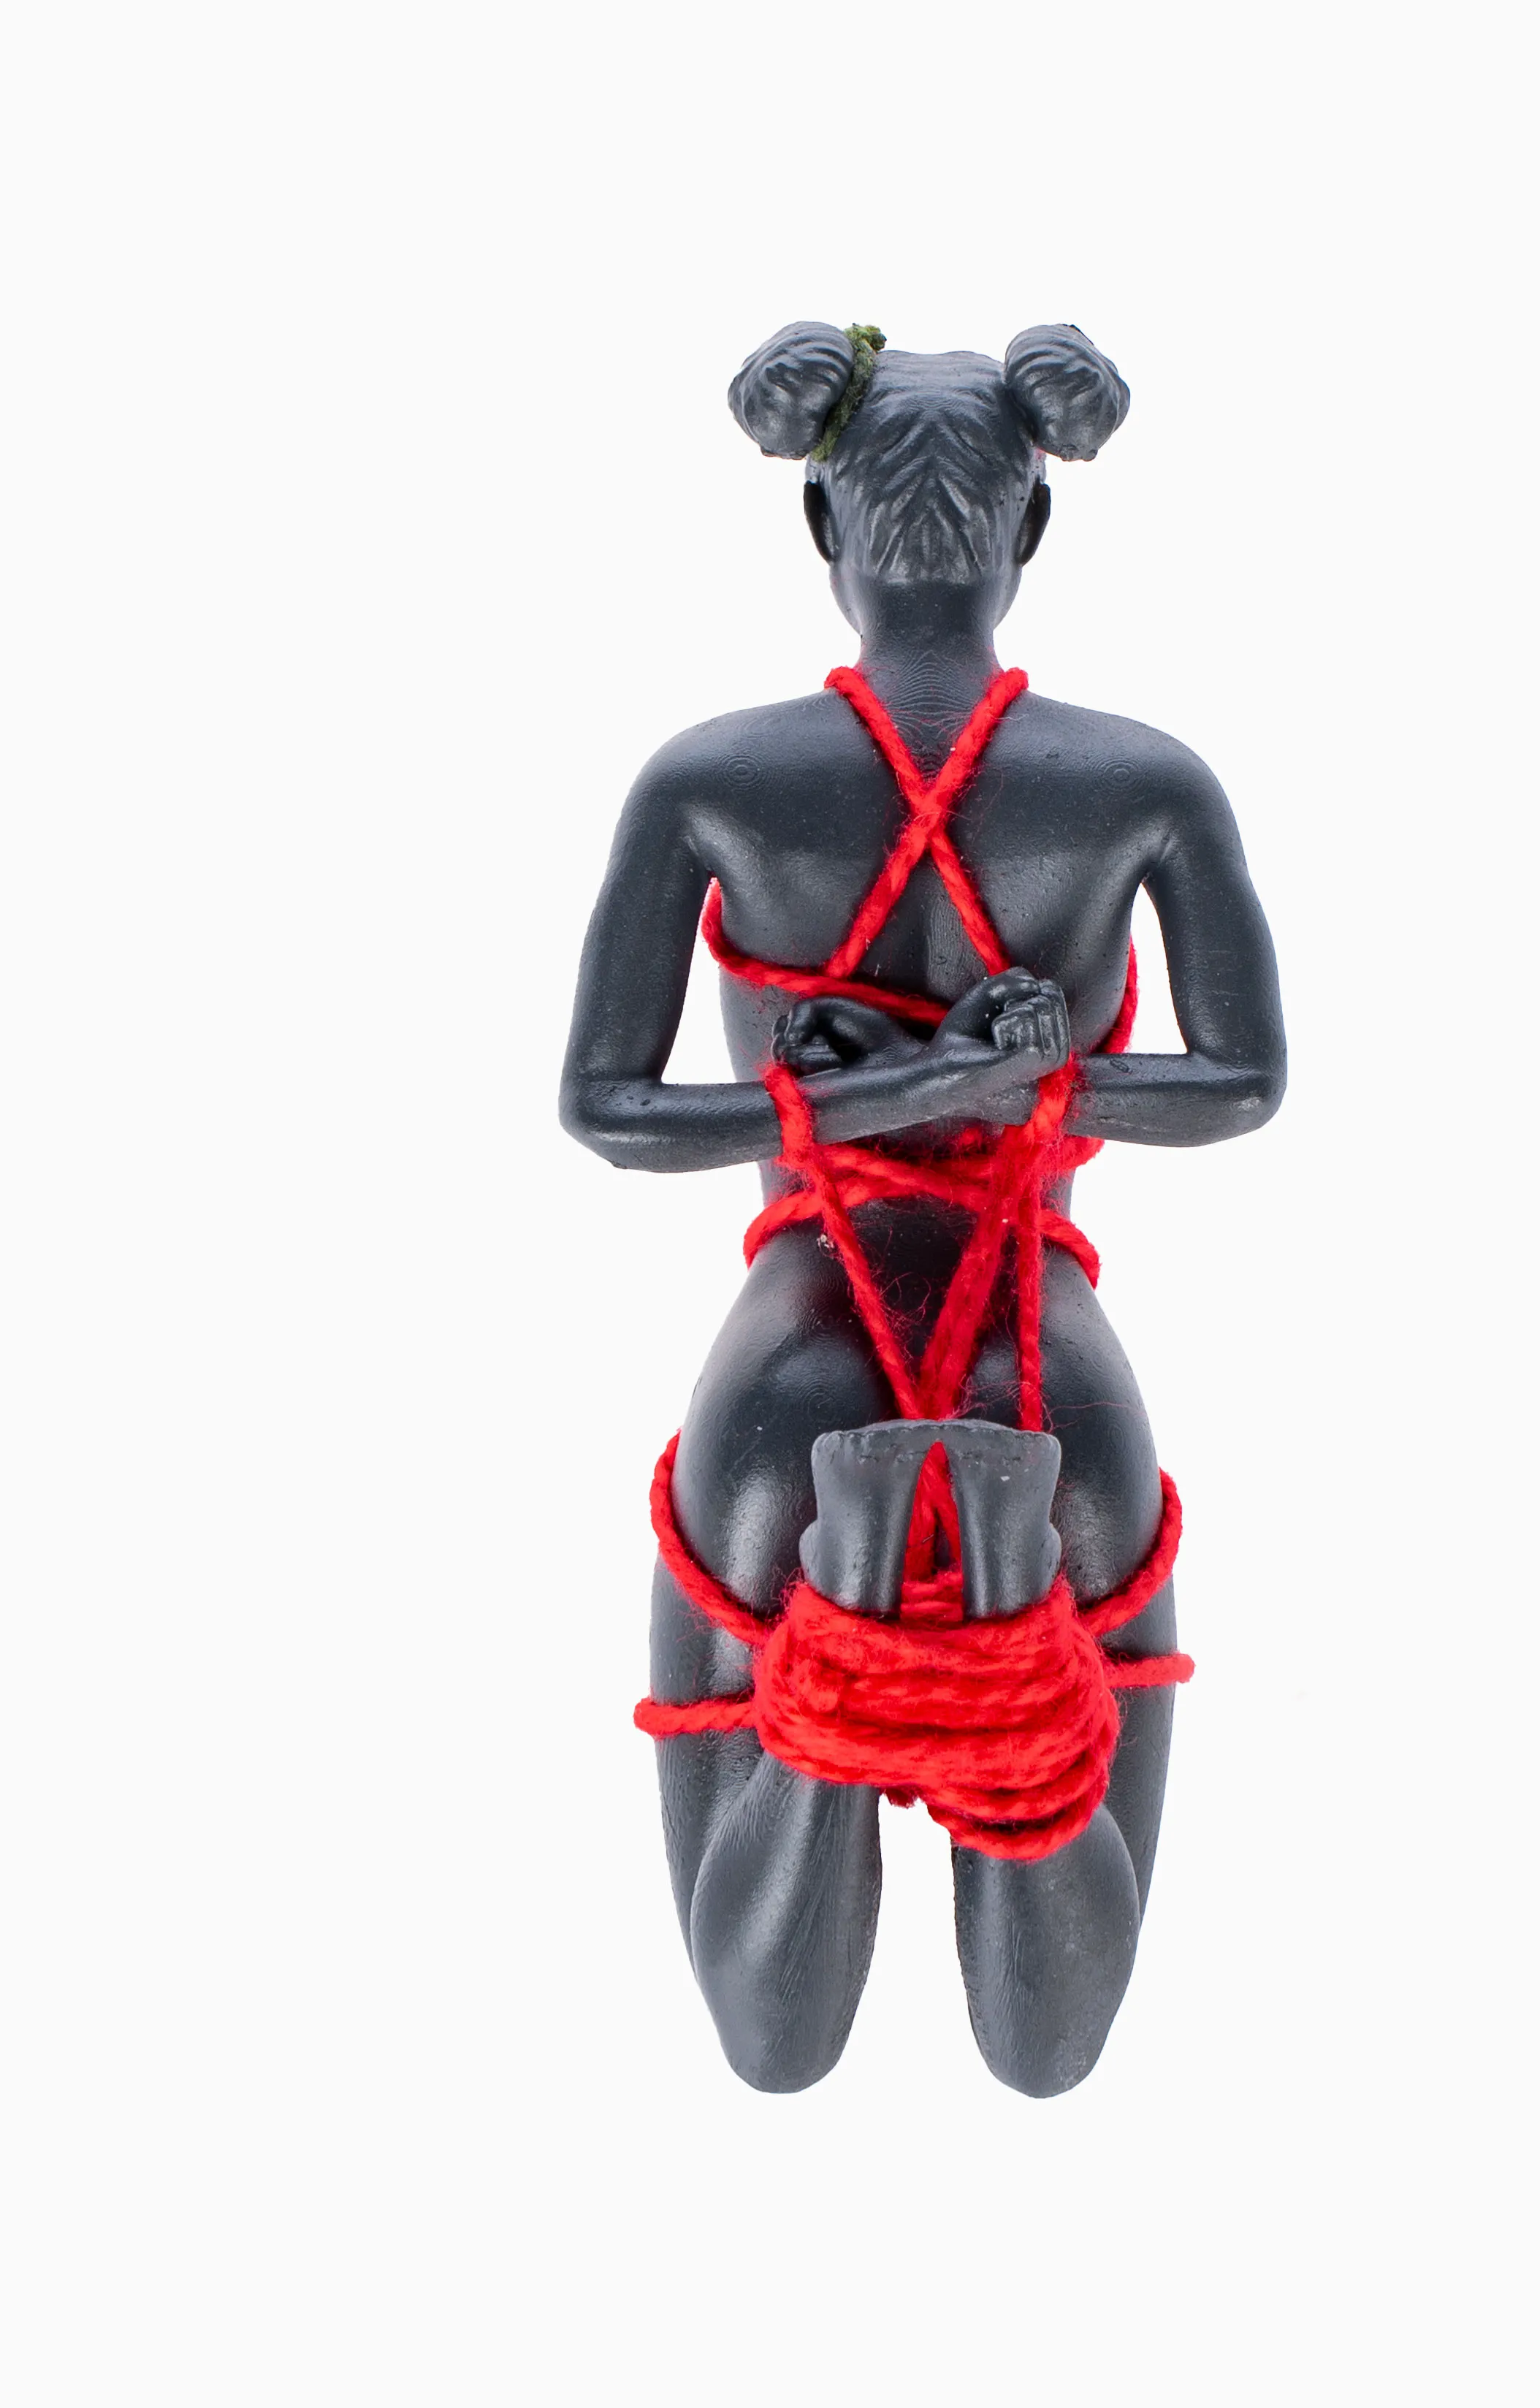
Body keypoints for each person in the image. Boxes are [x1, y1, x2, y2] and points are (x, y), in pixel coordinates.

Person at [560, 323, 1286, 2093]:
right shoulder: (1144, 783)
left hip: (792, 1364)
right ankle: (999, 1568)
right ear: (1034, 526)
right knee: (1050, 2050)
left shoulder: (709, 781)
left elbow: (606, 1110)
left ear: (821, 524)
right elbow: (1243, 1082)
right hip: (1048, 1368)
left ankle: (850, 1598)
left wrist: (853, 1097)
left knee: (773, 2045)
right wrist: (1004, 1083)